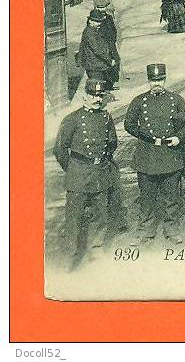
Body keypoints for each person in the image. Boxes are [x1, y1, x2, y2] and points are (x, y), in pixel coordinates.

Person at [124, 63, 185, 245]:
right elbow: (129, 124)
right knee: (146, 198)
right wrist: (144, 136)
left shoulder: (176, 100)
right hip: (147, 156)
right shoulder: (139, 101)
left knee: (171, 198)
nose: (157, 84)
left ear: (165, 80)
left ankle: (171, 229)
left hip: (170, 155)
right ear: (148, 81)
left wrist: (179, 137)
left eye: (160, 80)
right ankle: (144, 230)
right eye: (153, 80)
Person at [53, 79, 120, 269]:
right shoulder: (72, 120)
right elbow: (60, 149)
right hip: (78, 176)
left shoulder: (106, 118)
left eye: (100, 95)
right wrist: (74, 168)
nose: (97, 99)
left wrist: (100, 163)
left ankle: (96, 250)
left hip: (100, 175)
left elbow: (112, 144)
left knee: (102, 215)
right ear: (85, 97)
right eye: (93, 95)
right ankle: (70, 257)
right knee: (73, 219)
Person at [76, 9, 117, 84]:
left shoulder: (92, 30)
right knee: (97, 85)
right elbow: (98, 50)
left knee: (100, 83)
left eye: (100, 21)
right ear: (90, 21)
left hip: (95, 63)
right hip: (95, 65)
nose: (99, 23)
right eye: (97, 21)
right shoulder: (90, 34)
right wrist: (110, 60)